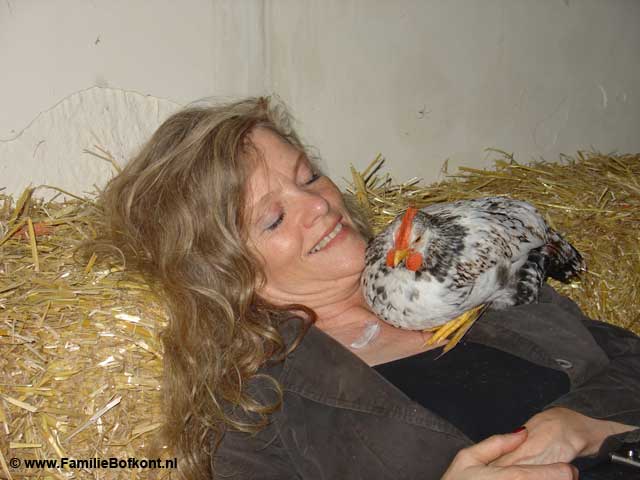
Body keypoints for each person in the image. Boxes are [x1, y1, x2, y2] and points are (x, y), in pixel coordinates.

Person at [100, 97, 640, 480]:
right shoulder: (256, 407)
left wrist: (583, 424)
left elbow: (627, 359)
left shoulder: (457, 266)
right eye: (273, 218)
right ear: (225, 269)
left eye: (309, 177)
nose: (319, 205)